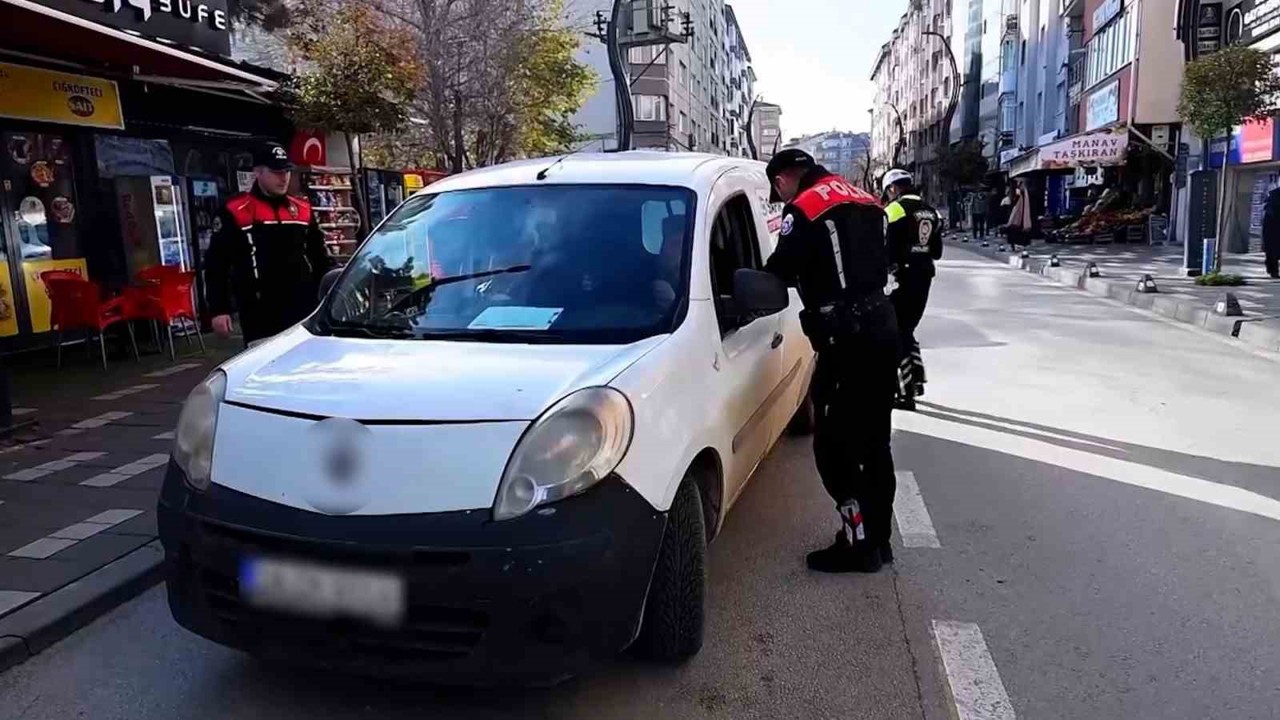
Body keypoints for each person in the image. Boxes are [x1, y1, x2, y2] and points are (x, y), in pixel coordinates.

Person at [763, 149, 901, 574]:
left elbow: (779, 270)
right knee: (875, 442)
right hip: (883, 329)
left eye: (778, 189)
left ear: (784, 179)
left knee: (833, 447)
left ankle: (858, 546)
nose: (781, 196)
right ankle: (878, 539)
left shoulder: (804, 208)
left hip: (846, 341)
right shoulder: (867, 199)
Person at [205, 142, 333, 347]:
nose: (284, 178)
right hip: (260, 313)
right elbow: (216, 264)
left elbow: (320, 258)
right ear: (258, 172)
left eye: (287, 171)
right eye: (276, 172)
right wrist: (219, 309)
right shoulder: (235, 212)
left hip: (304, 309)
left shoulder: (302, 210)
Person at [882, 169, 942, 411]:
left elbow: (885, 249)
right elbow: (937, 251)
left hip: (901, 279)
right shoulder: (931, 211)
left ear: (893, 189)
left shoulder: (894, 210)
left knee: (898, 333)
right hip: (924, 276)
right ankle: (916, 379)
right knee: (907, 329)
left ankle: (906, 393)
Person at [1263, 187, 1280, 279]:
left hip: (1272, 229)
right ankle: (1273, 270)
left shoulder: (1273, 195)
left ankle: (1273, 270)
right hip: (1273, 228)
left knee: (1272, 251)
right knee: (1273, 251)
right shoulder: (1274, 196)